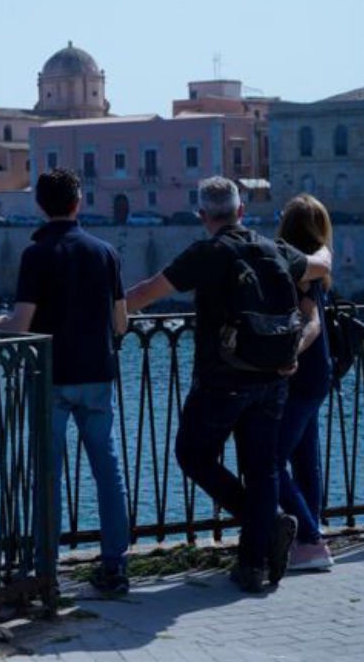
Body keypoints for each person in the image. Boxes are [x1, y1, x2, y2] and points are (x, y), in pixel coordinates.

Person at [125, 176, 331, 593]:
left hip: (222, 380)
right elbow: (321, 265)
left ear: (203, 217)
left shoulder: (205, 253)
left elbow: (144, 294)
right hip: (274, 378)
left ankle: (267, 524)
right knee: (261, 470)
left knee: (192, 454)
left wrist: (90, 312)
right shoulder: (273, 248)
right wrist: (325, 245)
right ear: (241, 211)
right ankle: (254, 566)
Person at [0, 169, 131, 593]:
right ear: (78, 201)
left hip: (52, 376)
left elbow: (21, 325)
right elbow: (121, 322)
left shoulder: (37, 254)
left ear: (40, 205)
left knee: (48, 472)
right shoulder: (105, 251)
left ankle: (46, 571)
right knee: (107, 469)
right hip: (98, 373)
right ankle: (116, 565)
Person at [276, 194, 336, 572]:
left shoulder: (297, 268)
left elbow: (310, 321)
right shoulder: (317, 263)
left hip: (301, 373)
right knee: (305, 459)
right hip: (319, 372)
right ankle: (305, 542)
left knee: (269, 459)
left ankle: (312, 538)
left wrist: (291, 352)